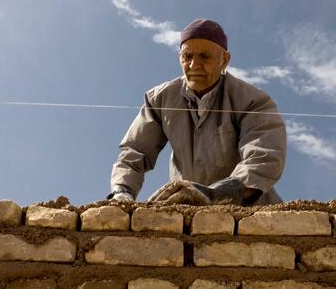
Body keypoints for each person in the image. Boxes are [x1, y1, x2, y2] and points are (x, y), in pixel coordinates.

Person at [108, 19, 286, 206]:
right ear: (180, 58)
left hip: (250, 215)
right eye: (188, 56)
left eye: (205, 56)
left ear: (224, 60)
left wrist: (216, 194)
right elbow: (135, 152)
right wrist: (122, 191)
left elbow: (264, 158)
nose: (194, 65)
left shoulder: (252, 100)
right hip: (187, 215)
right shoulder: (159, 99)